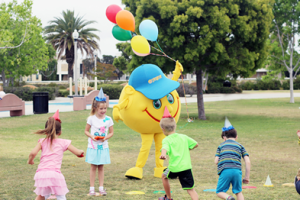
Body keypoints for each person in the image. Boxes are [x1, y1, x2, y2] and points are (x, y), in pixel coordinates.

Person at [28, 110, 84, 200]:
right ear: (60, 132)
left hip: (41, 174)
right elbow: (77, 152)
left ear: (46, 132)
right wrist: (81, 152)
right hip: (54, 173)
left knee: (42, 196)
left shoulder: (42, 141)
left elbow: (32, 153)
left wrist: (30, 160)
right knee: (61, 196)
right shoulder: (64, 142)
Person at [158, 107, 199, 200]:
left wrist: (163, 154)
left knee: (164, 176)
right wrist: (187, 148)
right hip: (186, 167)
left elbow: (164, 148)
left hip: (174, 168)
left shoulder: (166, 139)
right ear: (175, 126)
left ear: (163, 129)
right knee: (191, 190)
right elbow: (196, 144)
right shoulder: (183, 137)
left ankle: (168, 197)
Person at [84, 88, 114, 196]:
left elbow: (111, 133)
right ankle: (92, 188)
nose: (103, 110)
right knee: (93, 167)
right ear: (95, 108)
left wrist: (106, 137)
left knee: (101, 167)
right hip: (93, 146)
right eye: (101, 108)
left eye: (105, 108)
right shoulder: (91, 119)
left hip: (103, 146)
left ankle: (101, 188)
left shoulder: (109, 119)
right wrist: (91, 136)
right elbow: (86, 131)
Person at [215, 117, 251, 200]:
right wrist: (246, 177)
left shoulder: (221, 146)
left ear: (224, 138)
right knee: (238, 192)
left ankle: (229, 197)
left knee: (219, 192)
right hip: (237, 172)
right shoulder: (240, 146)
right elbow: (248, 162)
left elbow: (216, 161)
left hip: (225, 171)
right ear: (236, 137)